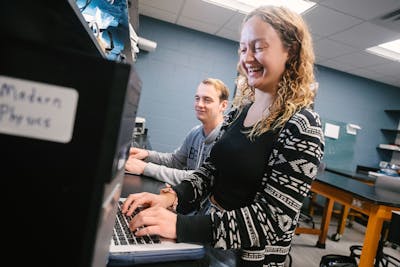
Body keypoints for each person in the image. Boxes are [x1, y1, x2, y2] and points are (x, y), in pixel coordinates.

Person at [122, 5, 324, 267]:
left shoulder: (303, 126)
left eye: (259, 47)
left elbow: (274, 220)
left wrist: (182, 225)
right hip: (209, 232)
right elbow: (210, 171)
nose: (247, 58)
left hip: (247, 257)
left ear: (291, 51)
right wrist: (172, 197)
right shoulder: (239, 113)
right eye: (243, 48)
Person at [125, 78, 230, 186]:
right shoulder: (195, 133)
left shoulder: (226, 141)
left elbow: (201, 179)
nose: (199, 104)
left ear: (223, 105)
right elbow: (175, 161)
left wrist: (146, 168)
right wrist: (146, 154)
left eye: (207, 100)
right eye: (197, 98)